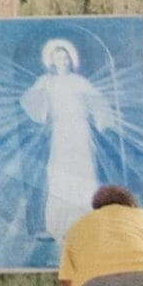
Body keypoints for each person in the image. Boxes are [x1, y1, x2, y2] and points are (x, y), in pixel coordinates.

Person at [18, 36, 110, 240]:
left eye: (66, 58)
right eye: (59, 58)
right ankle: (59, 224)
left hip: (80, 131)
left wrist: (99, 119)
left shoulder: (79, 82)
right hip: (61, 132)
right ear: (52, 61)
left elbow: (99, 102)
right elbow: (30, 100)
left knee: (83, 171)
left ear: (71, 60)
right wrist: (44, 105)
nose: (63, 62)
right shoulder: (46, 82)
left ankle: (87, 222)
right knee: (59, 172)